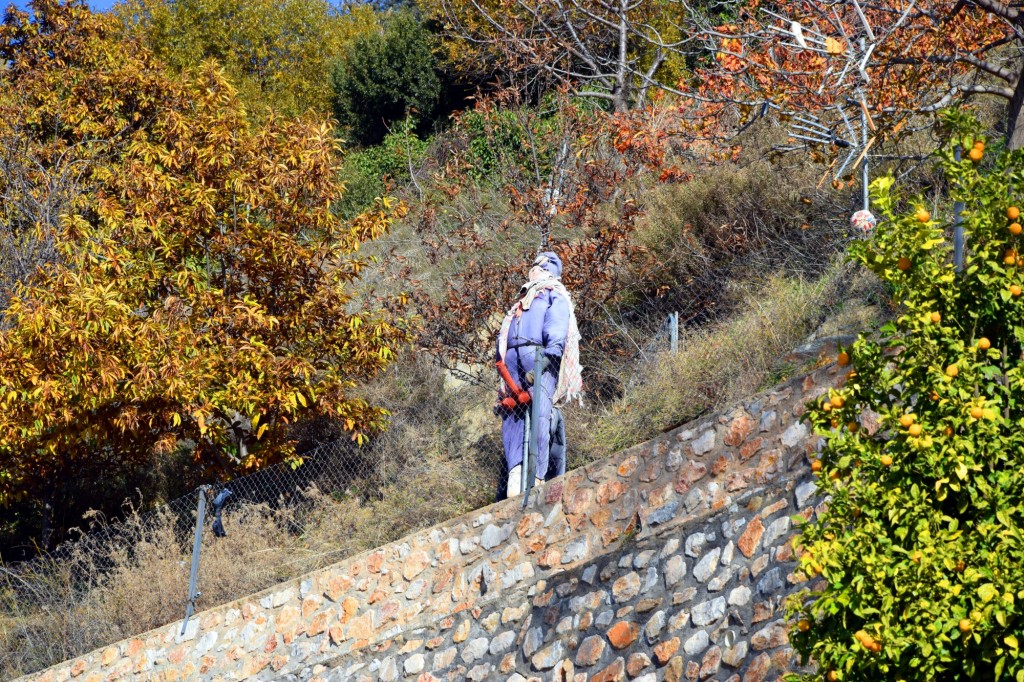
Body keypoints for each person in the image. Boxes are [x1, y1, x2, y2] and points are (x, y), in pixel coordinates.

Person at [495, 251, 582, 498]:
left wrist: (551, 352)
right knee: (511, 416)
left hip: (540, 357)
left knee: (540, 414)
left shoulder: (555, 294)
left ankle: (535, 477)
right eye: (533, 265)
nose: (532, 269)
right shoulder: (520, 302)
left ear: (548, 269)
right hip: (512, 362)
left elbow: (557, 324)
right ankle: (514, 475)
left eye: (538, 265)